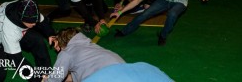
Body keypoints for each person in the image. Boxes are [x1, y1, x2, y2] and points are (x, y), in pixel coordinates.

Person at [110, 0, 209, 46]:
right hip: (164, 1)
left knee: (172, 14)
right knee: (145, 14)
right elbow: (137, 1)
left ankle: (163, 35)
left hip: (179, 2)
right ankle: (124, 31)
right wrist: (120, 12)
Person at [42, 27, 174, 82]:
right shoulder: (90, 45)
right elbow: (80, 70)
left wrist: (46, 79)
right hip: (133, 69)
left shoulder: (66, 53)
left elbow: (55, 79)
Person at [0, 0, 56, 82]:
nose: (35, 24)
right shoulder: (9, 29)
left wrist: (51, 34)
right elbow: (17, 61)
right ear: (21, 18)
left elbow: (42, 21)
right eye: (31, 23)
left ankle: (45, 73)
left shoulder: (27, 8)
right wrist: (36, 79)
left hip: (11, 31)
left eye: (35, 21)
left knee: (37, 41)